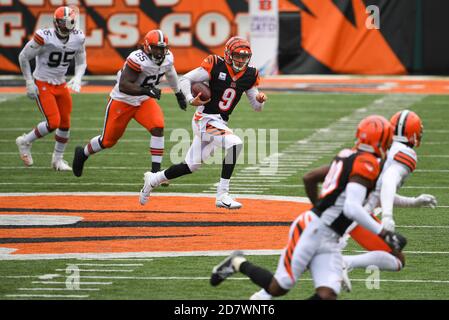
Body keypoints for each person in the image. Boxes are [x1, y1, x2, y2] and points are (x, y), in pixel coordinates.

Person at [209, 115, 407, 300]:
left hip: (328, 235)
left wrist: (319, 208)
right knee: (279, 287)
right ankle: (237, 263)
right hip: (313, 230)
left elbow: (310, 177)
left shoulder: (348, 155)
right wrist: (384, 233)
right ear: (382, 140)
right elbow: (352, 208)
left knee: (327, 294)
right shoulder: (367, 163)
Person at [139, 36, 267, 209]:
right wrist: (191, 99)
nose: (241, 60)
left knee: (190, 166)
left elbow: (256, 107)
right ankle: (222, 194)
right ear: (228, 54)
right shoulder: (215, 64)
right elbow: (185, 79)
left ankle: (153, 179)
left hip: (219, 122)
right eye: (238, 56)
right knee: (235, 144)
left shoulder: (250, 74)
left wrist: (260, 100)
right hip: (205, 119)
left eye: (245, 57)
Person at [339, 110, 437, 286]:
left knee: (396, 256)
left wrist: (413, 202)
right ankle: (341, 262)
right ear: (413, 133)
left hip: (345, 205)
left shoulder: (385, 147)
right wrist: (387, 216)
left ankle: (343, 262)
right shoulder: (405, 153)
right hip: (353, 211)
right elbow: (388, 183)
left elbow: (382, 191)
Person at [72, 29, 186, 177]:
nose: (159, 52)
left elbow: (170, 73)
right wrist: (146, 91)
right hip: (123, 100)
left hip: (143, 101)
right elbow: (124, 85)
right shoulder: (137, 59)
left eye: (162, 48)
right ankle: (83, 153)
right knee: (107, 141)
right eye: (156, 48)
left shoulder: (168, 58)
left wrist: (178, 93)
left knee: (158, 127)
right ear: (147, 46)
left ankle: (156, 174)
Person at [16, 6, 86, 171]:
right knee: (53, 122)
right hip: (42, 82)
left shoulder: (78, 37)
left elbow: (82, 61)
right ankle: (25, 141)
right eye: (61, 22)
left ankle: (57, 160)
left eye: (66, 23)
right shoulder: (44, 36)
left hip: (60, 83)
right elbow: (24, 57)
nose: (63, 26)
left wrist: (77, 77)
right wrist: (29, 82)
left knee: (65, 123)